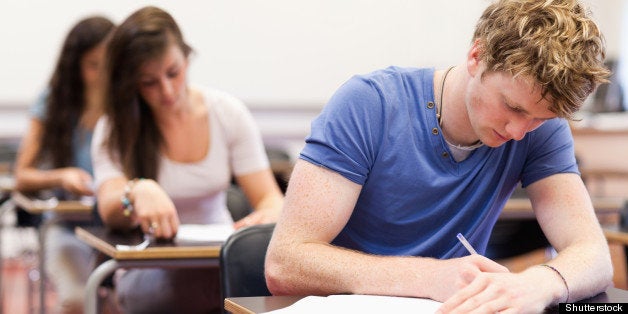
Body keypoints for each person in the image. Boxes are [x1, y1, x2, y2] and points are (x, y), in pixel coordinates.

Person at [265, 0, 612, 312]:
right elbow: (286, 264)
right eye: (512, 106)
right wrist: (431, 277)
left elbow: (594, 255)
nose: (519, 131)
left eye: (540, 118)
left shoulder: (541, 130)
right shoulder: (370, 104)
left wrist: (539, 283)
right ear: (477, 57)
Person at [91, 6, 284, 313]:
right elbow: (109, 205)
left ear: (186, 57)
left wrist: (267, 215)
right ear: (130, 84)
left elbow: (269, 198)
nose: (167, 91)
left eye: (173, 73)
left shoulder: (226, 113)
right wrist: (136, 190)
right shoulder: (115, 126)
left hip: (219, 260)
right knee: (212, 291)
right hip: (150, 272)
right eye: (149, 83)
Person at [13, 16, 114, 314]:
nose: (102, 75)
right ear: (75, 67)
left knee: (127, 301)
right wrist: (61, 176)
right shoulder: (53, 101)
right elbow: (22, 175)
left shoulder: (127, 103)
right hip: (67, 227)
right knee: (76, 299)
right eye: (94, 65)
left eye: (109, 64)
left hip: (117, 229)